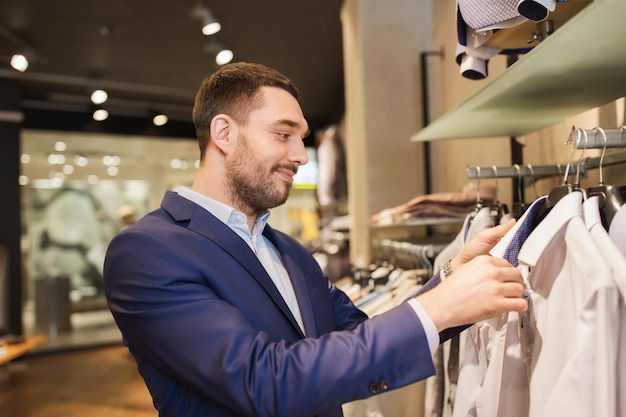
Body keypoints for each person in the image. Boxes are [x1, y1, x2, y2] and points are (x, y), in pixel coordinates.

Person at [103, 62, 527, 417]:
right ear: (224, 133)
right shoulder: (147, 251)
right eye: (283, 134)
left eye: (302, 138)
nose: (301, 155)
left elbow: (359, 334)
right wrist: (438, 305)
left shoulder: (286, 249)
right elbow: (263, 380)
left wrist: (452, 277)